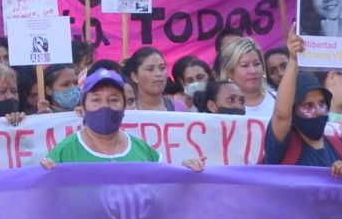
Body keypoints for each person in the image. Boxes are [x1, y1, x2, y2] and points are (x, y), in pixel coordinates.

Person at [41, 66, 204, 168]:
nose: (105, 106)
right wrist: (44, 174)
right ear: (83, 108)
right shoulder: (63, 153)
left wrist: (185, 173)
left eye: (113, 99)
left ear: (124, 106)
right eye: (96, 99)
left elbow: (164, 192)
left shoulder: (144, 151)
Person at [262, 38, 342, 171]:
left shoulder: (340, 147)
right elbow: (281, 115)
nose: (318, 110)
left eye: (321, 103)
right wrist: (292, 60)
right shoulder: (282, 147)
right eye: (308, 106)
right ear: (293, 111)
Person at [216, 37, 273, 124]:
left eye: (257, 64)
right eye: (245, 65)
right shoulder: (221, 109)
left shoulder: (280, 101)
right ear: (230, 71)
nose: (253, 71)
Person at [126, 46, 190, 112]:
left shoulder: (179, 108)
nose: (158, 74)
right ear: (134, 76)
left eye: (162, 68)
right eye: (150, 69)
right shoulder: (127, 109)